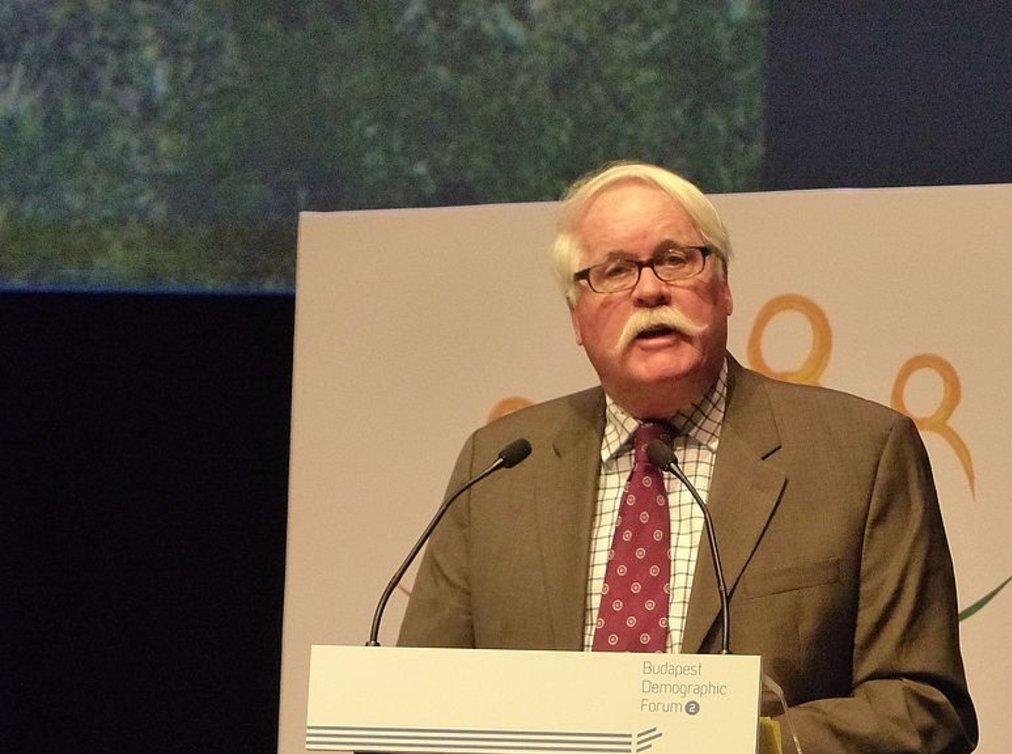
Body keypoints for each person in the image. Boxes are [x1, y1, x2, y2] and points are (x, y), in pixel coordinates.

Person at [399, 160, 978, 753]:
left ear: (724, 289)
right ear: (576, 316)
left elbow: (924, 707)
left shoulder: (861, 454)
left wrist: (757, 744)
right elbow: (418, 700)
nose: (649, 290)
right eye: (615, 270)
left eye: (675, 259)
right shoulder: (498, 469)